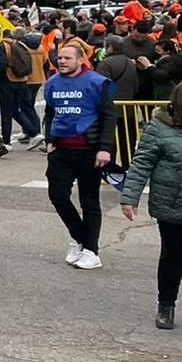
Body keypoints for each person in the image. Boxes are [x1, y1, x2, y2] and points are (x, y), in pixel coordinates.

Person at [42, 40, 117, 272]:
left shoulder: (97, 82)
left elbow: (109, 116)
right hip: (61, 150)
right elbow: (50, 113)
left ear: (80, 59)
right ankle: (80, 237)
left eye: (67, 58)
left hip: (90, 150)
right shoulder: (52, 83)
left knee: (89, 200)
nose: (61, 61)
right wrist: (50, 140)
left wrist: (105, 147)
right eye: (60, 58)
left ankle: (91, 251)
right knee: (57, 195)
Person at [120, 83, 182, 329]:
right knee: (172, 256)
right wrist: (130, 197)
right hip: (171, 204)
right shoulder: (158, 127)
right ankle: (166, 305)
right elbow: (141, 163)